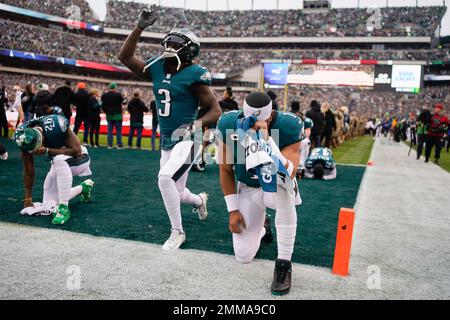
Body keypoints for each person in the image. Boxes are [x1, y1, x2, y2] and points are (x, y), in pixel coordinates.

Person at [118, 8, 222, 250]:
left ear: (188, 50)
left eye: (176, 44)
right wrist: (139, 27)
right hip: (167, 137)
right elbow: (124, 57)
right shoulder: (157, 66)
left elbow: (215, 110)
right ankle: (199, 200)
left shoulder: (195, 74)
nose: (169, 46)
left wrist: (196, 125)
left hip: (188, 136)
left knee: (165, 179)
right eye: (169, 41)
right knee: (178, 189)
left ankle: (178, 232)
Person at [217, 92, 303, 296]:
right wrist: (233, 210)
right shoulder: (229, 123)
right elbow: (225, 169)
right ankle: (264, 228)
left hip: (276, 186)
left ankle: (283, 263)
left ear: (271, 115)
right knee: (243, 255)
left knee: (285, 192)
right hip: (248, 187)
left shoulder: (289, 125)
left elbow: (290, 171)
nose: (251, 124)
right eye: (248, 119)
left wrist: (267, 143)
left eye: (257, 120)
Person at [13, 114, 94, 225]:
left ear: (41, 139)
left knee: (59, 160)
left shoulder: (55, 124)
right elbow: (28, 170)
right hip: (59, 164)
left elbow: (77, 150)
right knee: (51, 201)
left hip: (81, 159)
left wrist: (47, 150)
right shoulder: (22, 136)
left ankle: (64, 209)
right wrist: (28, 198)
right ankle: (83, 188)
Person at [101, 83, 125, 149]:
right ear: (115, 88)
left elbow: (102, 105)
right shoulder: (118, 95)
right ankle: (119, 144)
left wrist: (106, 111)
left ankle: (109, 144)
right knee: (118, 131)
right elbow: (124, 102)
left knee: (109, 130)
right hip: (118, 115)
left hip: (109, 115)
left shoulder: (105, 95)